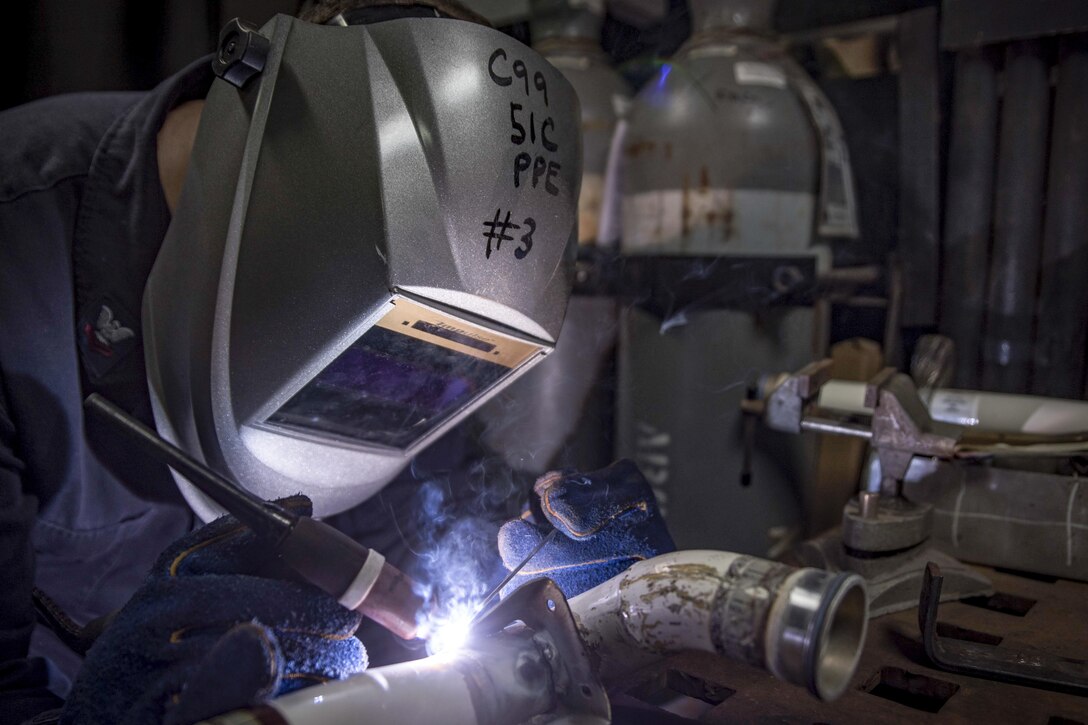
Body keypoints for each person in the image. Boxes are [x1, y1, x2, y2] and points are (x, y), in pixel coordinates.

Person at [0, 2, 673, 722]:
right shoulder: (18, 250)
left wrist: (582, 612)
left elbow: (411, 559)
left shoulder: (427, 302)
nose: (393, 386)